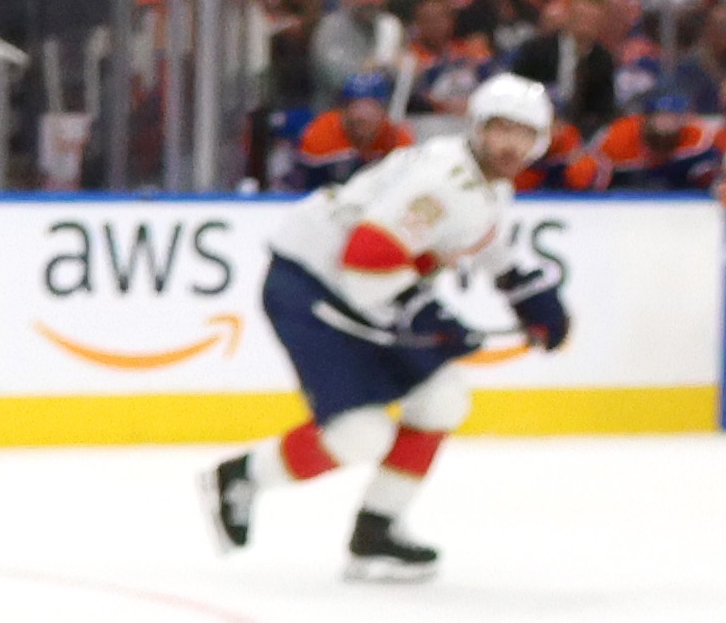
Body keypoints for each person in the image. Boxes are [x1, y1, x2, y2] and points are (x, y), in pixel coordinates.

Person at [209, 71, 568, 584]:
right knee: (359, 434)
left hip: (356, 292)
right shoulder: (445, 181)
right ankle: (242, 477)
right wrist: (432, 319)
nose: (511, 144)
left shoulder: (487, 185)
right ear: (477, 128)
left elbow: (485, 244)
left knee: (443, 398)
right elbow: (366, 257)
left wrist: (532, 299)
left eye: (523, 133)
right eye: (500, 129)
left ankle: (377, 528)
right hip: (312, 287)